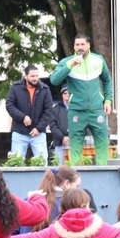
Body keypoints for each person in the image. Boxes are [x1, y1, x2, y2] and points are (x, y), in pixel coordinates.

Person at [49, 35, 110, 163]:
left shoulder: (98, 60)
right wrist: (70, 65)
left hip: (96, 109)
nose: (80, 47)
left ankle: (103, 172)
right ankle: (74, 178)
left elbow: (107, 80)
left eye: (83, 44)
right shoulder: (67, 61)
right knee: (75, 146)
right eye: (77, 45)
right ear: (74, 47)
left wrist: (108, 100)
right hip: (76, 110)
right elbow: (54, 80)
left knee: (102, 143)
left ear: (88, 45)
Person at [6, 64, 55, 163]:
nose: (35, 78)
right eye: (32, 76)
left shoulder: (45, 89)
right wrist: (22, 117)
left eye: (37, 76)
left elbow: (48, 110)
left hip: (38, 133)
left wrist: (39, 128)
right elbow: (9, 105)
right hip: (19, 132)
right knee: (16, 163)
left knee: (42, 163)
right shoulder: (15, 88)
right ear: (25, 76)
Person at [47, 90, 71, 165]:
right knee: (60, 169)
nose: (67, 95)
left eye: (69, 93)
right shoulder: (55, 109)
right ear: (62, 95)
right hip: (60, 143)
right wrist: (62, 137)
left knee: (76, 169)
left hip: (75, 143)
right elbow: (52, 126)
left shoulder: (77, 108)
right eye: (65, 93)